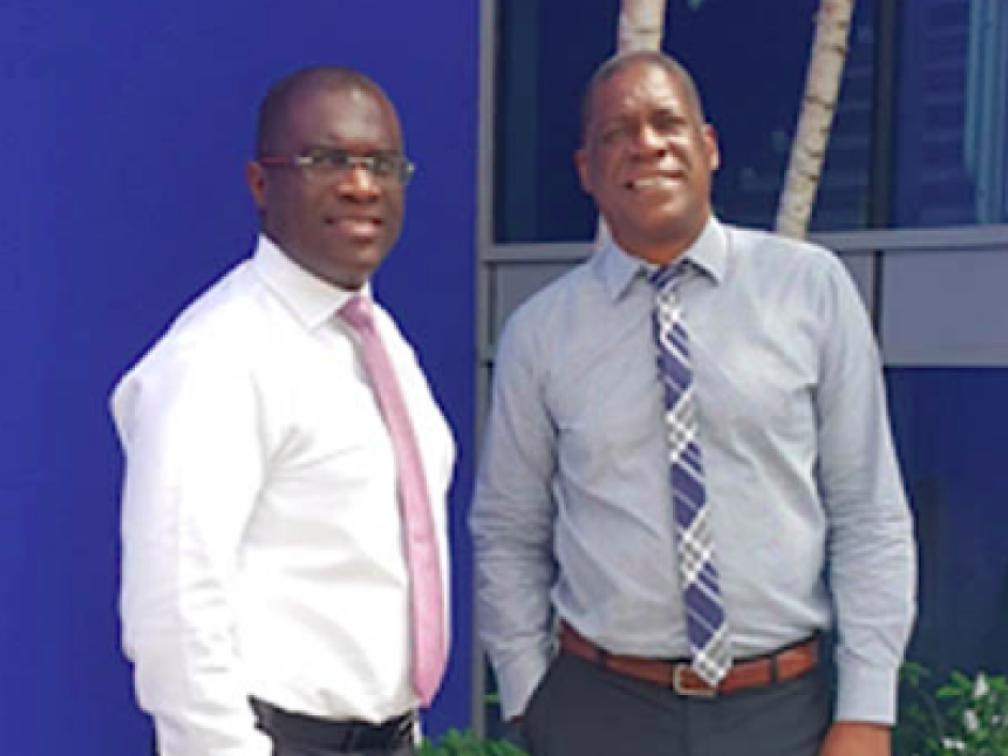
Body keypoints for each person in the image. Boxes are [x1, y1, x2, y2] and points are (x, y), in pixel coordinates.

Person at [470, 51, 916, 756]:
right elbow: (508, 531)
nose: (646, 144)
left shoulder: (809, 290)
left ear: (707, 147)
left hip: (779, 713)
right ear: (587, 170)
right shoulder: (540, 333)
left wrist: (867, 710)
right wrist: (530, 699)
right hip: (600, 710)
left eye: (666, 123)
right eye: (616, 133)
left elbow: (868, 513)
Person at [111, 66, 455, 756]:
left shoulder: (379, 340)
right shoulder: (219, 356)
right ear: (260, 184)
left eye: (383, 164)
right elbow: (175, 610)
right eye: (328, 160)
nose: (361, 185)